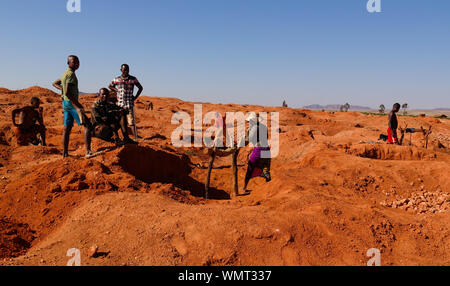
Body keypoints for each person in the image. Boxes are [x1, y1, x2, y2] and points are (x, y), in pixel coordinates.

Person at [52, 55, 90, 157]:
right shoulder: (71, 75)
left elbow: (54, 83)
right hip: (71, 103)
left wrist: (63, 89)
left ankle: (65, 153)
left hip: (65, 103)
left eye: (78, 61)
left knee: (67, 128)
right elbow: (68, 93)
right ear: (68, 63)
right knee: (87, 125)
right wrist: (78, 105)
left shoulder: (65, 74)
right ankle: (88, 152)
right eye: (74, 62)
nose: (77, 64)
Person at [85, 88, 137, 153]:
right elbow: (98, 120)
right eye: (103, 94)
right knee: (109, 123)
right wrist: (111, 114)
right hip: (99, 129)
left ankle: (126, 138)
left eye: (106, 94)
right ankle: (115, 138)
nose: (105, 96)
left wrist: (121, 111)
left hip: (109, 128)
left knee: (122, 116)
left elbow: (123, 111)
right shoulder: (95, 106)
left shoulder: (110, 104)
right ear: (99, 95)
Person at [109, 64, 144, 139]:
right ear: (121, 70)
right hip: (120, 103)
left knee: (131, 121)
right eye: (124, 69)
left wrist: (135, 97)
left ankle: (135, 137)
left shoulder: (133, 79)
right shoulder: (117, 79)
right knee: (118, 120)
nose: (126, 71)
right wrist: (116, 90)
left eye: (127, 69)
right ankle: (117, 137)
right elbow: (110, 86)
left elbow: (140, 88)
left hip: (129, 103)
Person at [242, 113, 271, 194]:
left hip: (258, 149)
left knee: (250, 167)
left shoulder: (254, 128)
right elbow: (266, 137)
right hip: (266, 149)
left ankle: (244, 188)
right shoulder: (264, 127)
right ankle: (269, 188)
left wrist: (247, 133)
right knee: (265, 168)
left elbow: (249, 139)